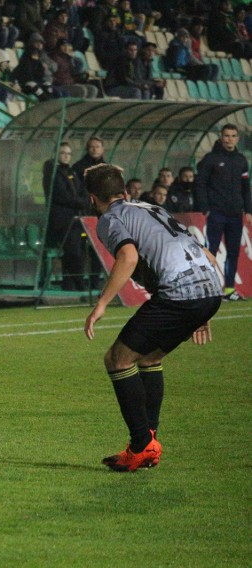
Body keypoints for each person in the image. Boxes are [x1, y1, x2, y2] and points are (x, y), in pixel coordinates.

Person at [83, 163, 222, 472]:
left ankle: (140, 445)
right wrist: (203, 307)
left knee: (118, 359)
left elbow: (128, 256)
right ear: (122, 190)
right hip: (209, 287)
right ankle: (149, 442)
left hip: (179, 292)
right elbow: (206, 253)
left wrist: (102, 303)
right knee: (147, 358)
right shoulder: (150, 207)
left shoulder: (110, 218)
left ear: (93, 198)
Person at [194, 123, 252, 301]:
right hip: (217, 213)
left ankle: (229, 290)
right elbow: (200, 184)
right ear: (221, 137)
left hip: (235, 214)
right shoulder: (210, 159)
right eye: (227, 136)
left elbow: (245, 187)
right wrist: (205, 208)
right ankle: (209, 288)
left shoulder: (241, 160)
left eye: (233, 136)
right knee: (211, 250)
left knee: (234, 252)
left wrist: (248, 210)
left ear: (237, 138)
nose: (230, 139)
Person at [42, 142, 90, 290]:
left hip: (76, 220)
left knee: (78, 251)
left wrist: (83, 201)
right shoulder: (53, 173)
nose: (66, 156)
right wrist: (81, 202)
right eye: (63, 153)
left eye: (68, 154)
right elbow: (62, 196)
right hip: (62, 221)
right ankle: (80, 283)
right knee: (72, 251)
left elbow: (82, 191)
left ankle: (70, 284)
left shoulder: (72, 172)